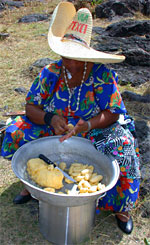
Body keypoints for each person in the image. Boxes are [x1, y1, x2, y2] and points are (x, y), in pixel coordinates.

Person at [1, 1, 140, 235]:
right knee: (16, 130)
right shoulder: (51, 72)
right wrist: (50, 118)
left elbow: (113, 113)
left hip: (96, 128)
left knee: (123, 146)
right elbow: (30, 106)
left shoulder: (101, 74)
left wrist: (87, 125)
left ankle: (121, 207)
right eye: (65, 56)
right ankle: (31, 187)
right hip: (57, 127)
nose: (70, 63)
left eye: (76, 57)